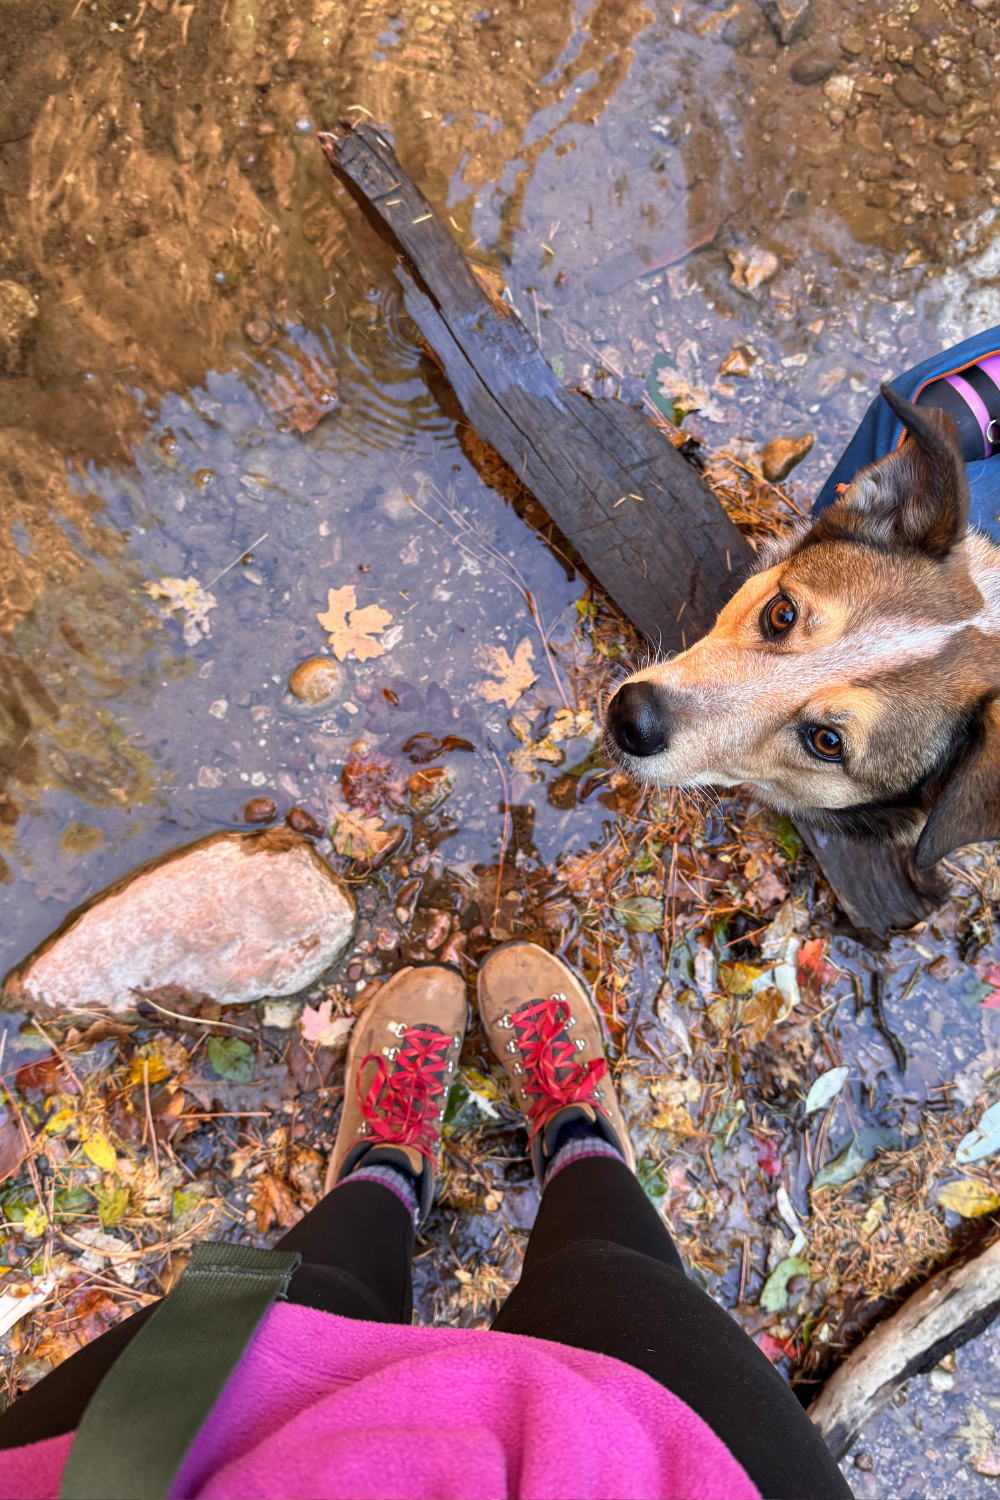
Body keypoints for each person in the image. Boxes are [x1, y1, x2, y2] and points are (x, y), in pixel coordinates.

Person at [0, 942, 852, 1500]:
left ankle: (387, 1166)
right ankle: (577, 1137)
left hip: (152, 1470)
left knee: (310, 1299)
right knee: (612, 1281)